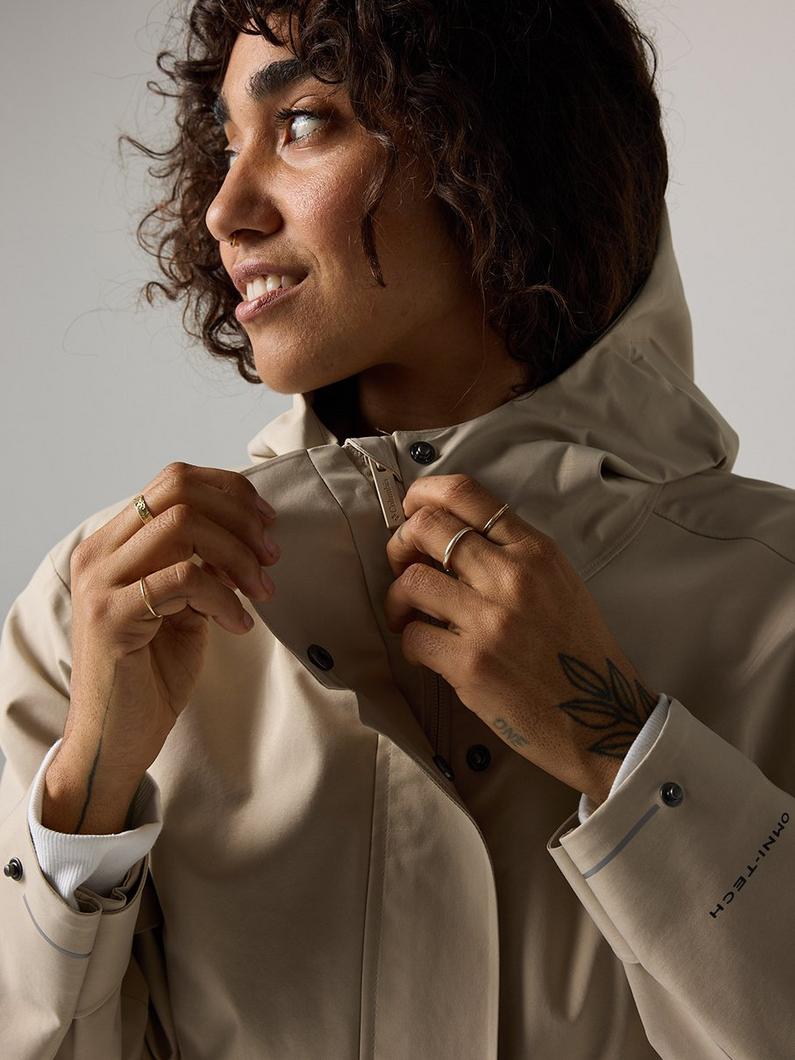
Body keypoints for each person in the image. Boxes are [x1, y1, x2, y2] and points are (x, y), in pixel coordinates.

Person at [1, 2, 793, 1057]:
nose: (225, 209)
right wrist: (87, 800)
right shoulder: (105, 608)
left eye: (305, 123)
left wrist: (626, 749)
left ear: (498, 139)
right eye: (228, 142)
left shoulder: (777, 603)